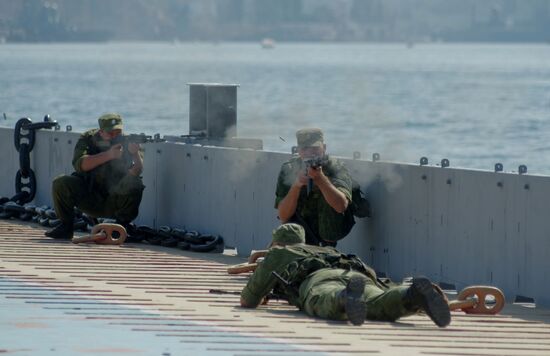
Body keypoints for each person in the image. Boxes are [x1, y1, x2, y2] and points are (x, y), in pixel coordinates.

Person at [240, 223, 451, 327]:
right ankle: (411, 295)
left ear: (276, 242)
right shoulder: (329, 250)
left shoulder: (280, 253)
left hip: (319, 279)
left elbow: (248, 300)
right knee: (377, 304)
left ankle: (344, 299)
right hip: (353, 273)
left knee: (320, 299)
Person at [45, 113, 145, 239]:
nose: (115, 136)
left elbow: (137, 171)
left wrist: (135, 154)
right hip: (89, 197)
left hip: (115, 200)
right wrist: (109, 155)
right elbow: (80, 164)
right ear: (101, 131)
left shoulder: (128, 142)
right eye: (111, 133)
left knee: (134, 182)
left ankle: (120, 228)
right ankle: (66, 227)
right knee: (60, 183)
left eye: (118, 132)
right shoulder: (89, 139)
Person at [275, 128, 355, 246]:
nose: (310, 152)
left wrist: (320, 179)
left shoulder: (335, 167)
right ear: (298, 150)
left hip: (327, 239)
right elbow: (283, 216)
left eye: (315, 148)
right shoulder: (290, 168)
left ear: (324, 148)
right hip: (297, 237)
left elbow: (341, 206)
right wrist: (296, 185)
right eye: (305, 148)